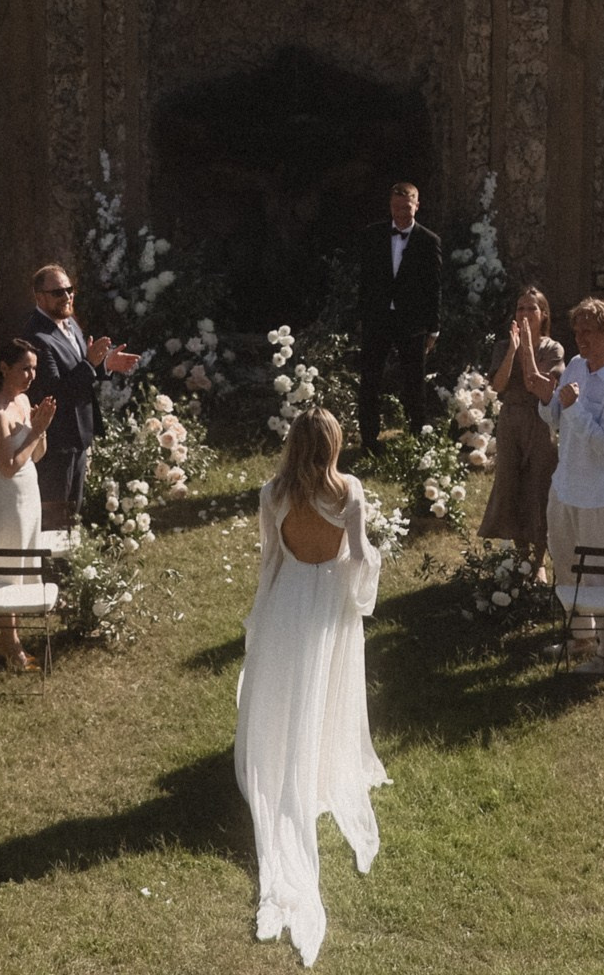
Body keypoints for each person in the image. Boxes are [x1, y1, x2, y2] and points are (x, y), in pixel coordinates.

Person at [235, 408, 387, 968]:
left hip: (288, 597)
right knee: (325, 690)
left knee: (284, 686)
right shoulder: (349, 490)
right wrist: (371, 563)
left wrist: (261, 615)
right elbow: (359, 555)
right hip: (330, 605)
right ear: (334, 445)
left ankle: (286, 757)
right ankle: (319, 763)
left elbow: (270, 559)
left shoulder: (271, 493)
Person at [544, 297, 604, 675]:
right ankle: (581, 636)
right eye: (577, 332)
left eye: (588, 332)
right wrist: (548, 400)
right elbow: (557, 419)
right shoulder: (574, 365)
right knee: (566, 564)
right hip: (565, 487)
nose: (580, 339)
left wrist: (574, 408)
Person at [22, 262, 140, 523]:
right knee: (55, 511)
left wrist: (105, 364)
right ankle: (49, 563)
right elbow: (53, 391)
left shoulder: (70, 324)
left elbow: (77, 370)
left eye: (69, 289)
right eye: (58, 292)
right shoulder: (37, 336)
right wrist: (91, 364)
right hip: (57, 440)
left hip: (78, 435)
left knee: (73, 510)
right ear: (39, 297)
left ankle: (68, 559)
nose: (66, 296)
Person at [0, 340, 57, 671]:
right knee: (7, 563)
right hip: (5, 495)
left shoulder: (23, 401)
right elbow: (8, 467)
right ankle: (10, 641)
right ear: (4, 368)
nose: (31, 375)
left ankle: (10, 634)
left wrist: (42, 429)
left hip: (29, 492)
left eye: (34, 368)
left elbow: (36, 456)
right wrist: (36, 431)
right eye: (25, 368)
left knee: (25, 559)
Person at [474, 285, 562, 558]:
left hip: (539, 419)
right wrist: (513, 351)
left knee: (539, 484)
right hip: (510, 418)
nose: (525, 313)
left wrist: (526, 346)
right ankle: (520, 554)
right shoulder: (503, 346)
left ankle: (539, 559)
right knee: (509, 483)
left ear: (543, 314)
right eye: (520, 308)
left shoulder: (552, 348)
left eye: (531, 308)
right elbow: (498, 385)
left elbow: (534, 384)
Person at [354, 181, 442, 452]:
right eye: (395, 207)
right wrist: (363, 317)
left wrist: (433, 329)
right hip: (377, 320)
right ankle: (368, 440)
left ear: (417, 205)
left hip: (412, 322)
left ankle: (416, 439)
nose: (400, 214)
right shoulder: (372, 235)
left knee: (414, 383)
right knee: (370, 380)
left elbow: (433, 287)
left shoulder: (429, 241)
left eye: (406, 208)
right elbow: (364, 281)